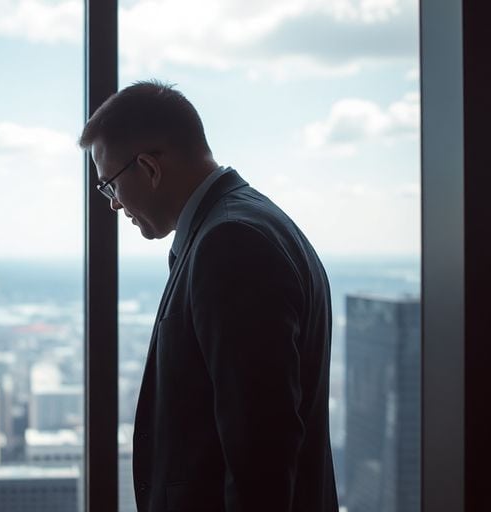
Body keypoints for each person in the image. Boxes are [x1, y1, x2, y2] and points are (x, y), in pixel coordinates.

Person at [80, 80, 338, 512]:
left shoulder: (231, 244)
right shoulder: (248, 223)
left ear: (149, 167)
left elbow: (262, 450)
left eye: (109, 186)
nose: (112, 204)